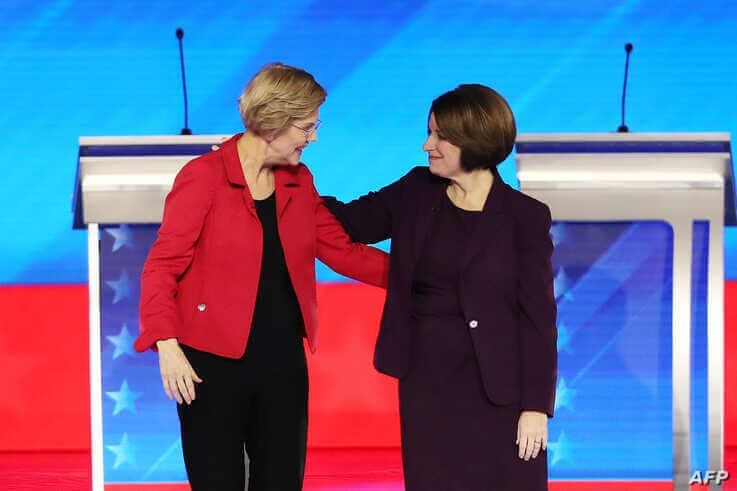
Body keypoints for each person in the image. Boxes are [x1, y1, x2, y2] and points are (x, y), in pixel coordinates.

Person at [133, 62, 389, 491]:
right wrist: (166, 343)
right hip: (209, 367)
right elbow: (163, 264)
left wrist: (427, 275)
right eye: (307, 127)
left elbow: (343, 253)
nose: (314, 138)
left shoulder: (298, 181)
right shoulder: (203, 178)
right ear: (274, 121)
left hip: (282, 364)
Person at [322, 84, 557, 491]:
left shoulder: (525, 217)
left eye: (438, 136)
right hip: (428, 388)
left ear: (473, 140)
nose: (426, 144)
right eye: (429, 132)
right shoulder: (416, 191)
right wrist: (284, 182)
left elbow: (538, 320)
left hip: (502, 394)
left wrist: (536, 406)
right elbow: (350, 221)